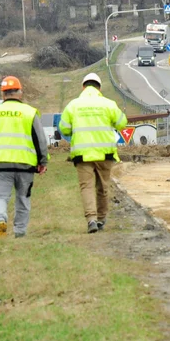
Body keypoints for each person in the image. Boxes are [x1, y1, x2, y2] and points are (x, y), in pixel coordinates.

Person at [0, 76, 48, 238]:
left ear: (3, 94)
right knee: (23, 199)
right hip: (26, 166)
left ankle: (1, 219)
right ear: (20, 93)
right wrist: (42, 161)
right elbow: (41, 140)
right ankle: (20, 232)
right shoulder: (30, 113)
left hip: (0, 165)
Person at [59, 72, 128, 233]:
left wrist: (74, 133)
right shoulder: (108, 104)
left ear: (83, 87)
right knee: (103, 187)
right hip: (105, 153)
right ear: (100, 88)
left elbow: (64, 128)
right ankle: (102, 219)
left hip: (82, 154)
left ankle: (91, 219)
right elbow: (122, 123)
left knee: (87, 187)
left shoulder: (73, 105)